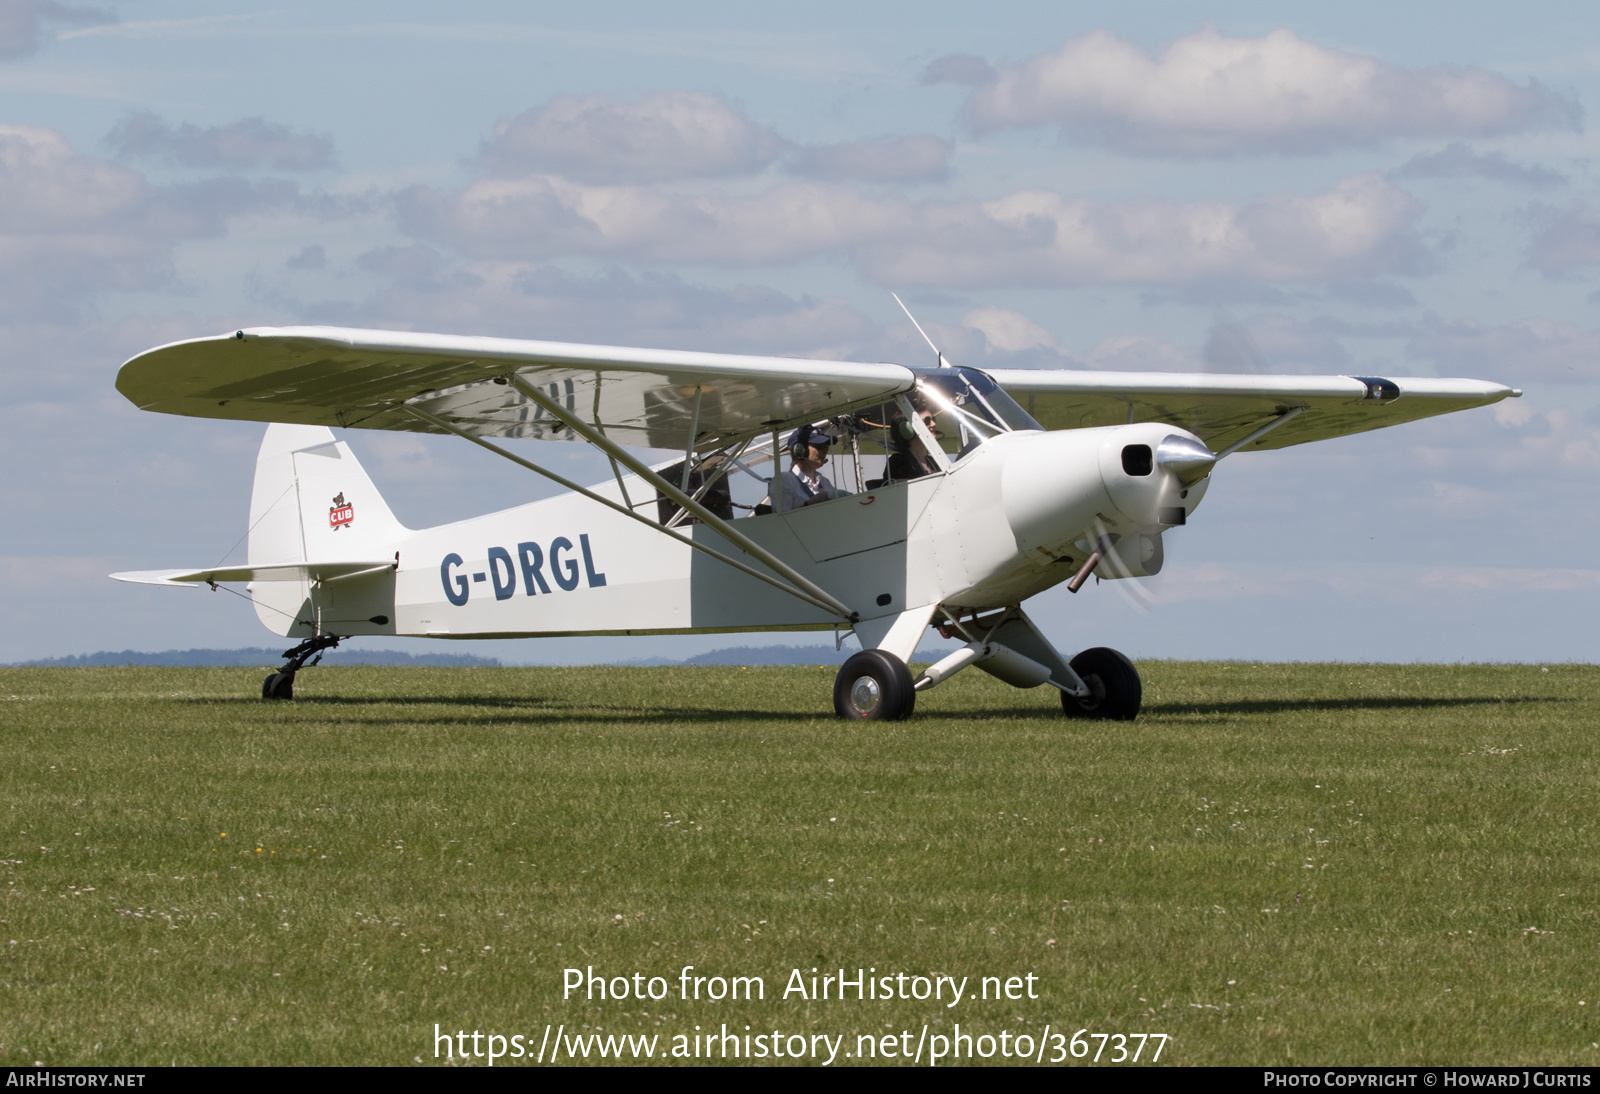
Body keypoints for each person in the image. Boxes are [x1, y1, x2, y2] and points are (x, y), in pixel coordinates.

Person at [780, 423, 848, 511]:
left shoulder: (824, 482)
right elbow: (780, 521)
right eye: (819, 446)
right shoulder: (785, 481)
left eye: (826, 447)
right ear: (800, 449)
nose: (824, 451)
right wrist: (811, 503)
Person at [887, 409, 943, 481]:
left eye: (933, 419)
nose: (933, 423)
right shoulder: (898, 462)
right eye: (927, 421)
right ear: (907, 428)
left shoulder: (933, 462)